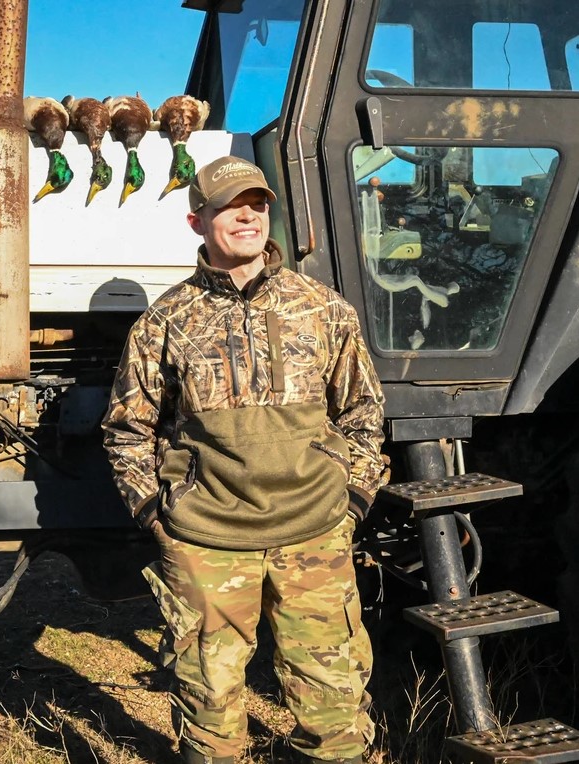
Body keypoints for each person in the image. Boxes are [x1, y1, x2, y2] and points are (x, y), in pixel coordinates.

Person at [101, 156, 386, 764]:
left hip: (313, 534)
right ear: (196, 220)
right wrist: (157, 512)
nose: (249, 215)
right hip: (207, 541)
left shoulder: (324, 308)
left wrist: (351, 497)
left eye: (257, 203)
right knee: (209, 711)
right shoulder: (165, 322)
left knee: (334, 712)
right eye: (232, 205)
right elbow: (128, 429)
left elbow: (363, 410)